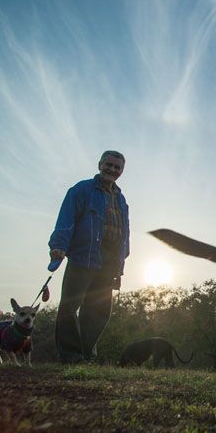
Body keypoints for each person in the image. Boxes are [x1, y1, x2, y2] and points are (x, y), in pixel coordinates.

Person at [48, 150, 129, 364]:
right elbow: (66, 219)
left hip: (109, 262)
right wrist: (58, 246)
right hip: (84, 255)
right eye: (108, 165)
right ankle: (70, 355)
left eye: (117, 167)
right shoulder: (81, 190)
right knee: (69, 306)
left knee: (99, 311)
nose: (112, 169)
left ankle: (85, 354)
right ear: (100, 164)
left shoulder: (121, 200)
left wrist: (121, 263)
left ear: (121, 171)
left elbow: (125, 233)